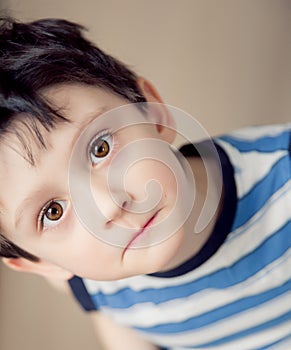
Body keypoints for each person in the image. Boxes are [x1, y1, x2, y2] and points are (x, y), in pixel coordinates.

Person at [0, 16, 290, 350]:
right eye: (53, 212)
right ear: (43, 264)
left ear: (151, 111)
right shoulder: (90, 284)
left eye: (100, 148)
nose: (108, 204)